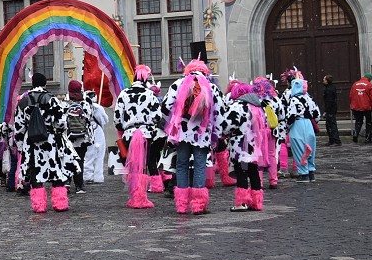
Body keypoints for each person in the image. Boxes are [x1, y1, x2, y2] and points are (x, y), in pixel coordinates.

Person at [162, 60, 223, 215]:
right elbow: (220, 112)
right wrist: (218, 133)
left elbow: (165, 107)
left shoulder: (178, 84)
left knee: (181, 165)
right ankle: (198, 205)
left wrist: (176, 117)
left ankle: (181, 205)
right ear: (204, 71)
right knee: (199, 166)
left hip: (182, 133)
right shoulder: (211, 86)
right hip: (201, 133)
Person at [14, 72, 77, 212]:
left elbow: (18, 126)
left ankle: (39, 205)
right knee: (56, 172)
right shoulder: (51, 99)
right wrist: (58, 131)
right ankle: (60, 203)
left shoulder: (23, 101)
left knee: (36, 174)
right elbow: (61, 122)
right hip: (50, 140)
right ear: (45, 84)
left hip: (31, 142)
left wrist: (20, 145)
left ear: (32, 84)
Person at [113, 65, 162, 209]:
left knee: (133, 166)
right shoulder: (150, 94)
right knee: (143, 165)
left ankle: (135, 196)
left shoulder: (124, 94)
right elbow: (157, 116)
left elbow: (117, 118)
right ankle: (141, 198)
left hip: (129, 134)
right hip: (146, 134)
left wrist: (124, 127)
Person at [225, 83, 276, 212]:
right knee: (253, 172)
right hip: (255, 145)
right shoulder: (258, 107)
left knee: (241, 171)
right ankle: (256, 202)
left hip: (241, 145)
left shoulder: (237, 106)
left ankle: (242, 202)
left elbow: (227, 125)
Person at [286, 76, 320, 181]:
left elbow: (290, 116)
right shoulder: (309, 98)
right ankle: (311, 172)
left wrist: (287, 127)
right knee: (310, 148)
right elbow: (317, 114)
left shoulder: (294, 100)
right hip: (308, 123)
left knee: (299, 148)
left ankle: (303, 173)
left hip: (298, 124)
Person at [64, 80, 94, 196]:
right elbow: (89, 118)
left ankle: (66, 183)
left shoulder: (65, 104)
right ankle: (79, 185)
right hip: (82, 137)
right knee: (80, 160)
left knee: (67, 159)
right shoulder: (86, 103)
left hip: (69, 137)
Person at [83, 89, 108, 185]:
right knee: (99, 154)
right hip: (97, 131)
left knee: (88, 154)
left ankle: (87, 175)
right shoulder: (98, 108)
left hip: (86, 131)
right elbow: (104, 120)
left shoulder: (82, 106)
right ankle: (97, 176)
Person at [350, 73, 372, 143]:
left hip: (356, 107)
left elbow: (351, 96)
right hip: (366, 107)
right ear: (369, 79)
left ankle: (356, 134)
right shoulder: (369, 85)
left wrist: (352, 105)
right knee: (368, 122)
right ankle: (368, 138)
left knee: (358, 121)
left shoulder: (355, 84)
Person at [322, 75, 342, 146]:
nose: (323, 81)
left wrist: (326, 111)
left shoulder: (329, 90)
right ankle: (332, 140)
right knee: (330, 125)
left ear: (327, 81)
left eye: (324, 80)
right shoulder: (331, 88)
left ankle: (335, 140)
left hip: (330, 109)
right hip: (331, 109)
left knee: (331, 125)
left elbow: (329, 101)